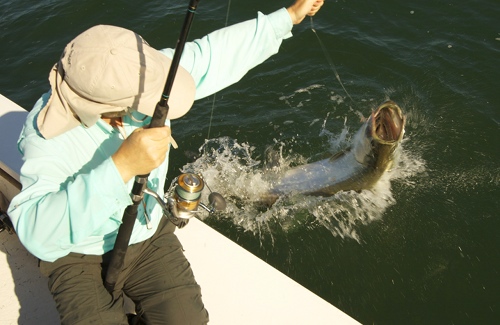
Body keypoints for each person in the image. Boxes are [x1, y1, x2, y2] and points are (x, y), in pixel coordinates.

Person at [8, 0, 324, 324]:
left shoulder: (139, 74)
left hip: (148, 236)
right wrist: (121, 167)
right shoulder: (45, 136)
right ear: (108, 109)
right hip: (78, 254)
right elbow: (37, 232)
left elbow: (211, 55)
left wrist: (289, 16)